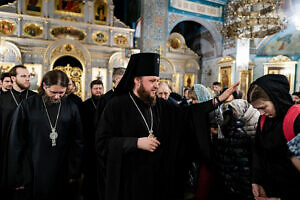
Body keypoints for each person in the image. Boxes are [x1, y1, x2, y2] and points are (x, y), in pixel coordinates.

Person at [95, 53, 239, 200]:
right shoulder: (116, 105)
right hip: (129, 182)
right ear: (137, 80)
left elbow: (187, 113)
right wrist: (136, 143)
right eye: (152, 81)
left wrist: (217, 100)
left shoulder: (159, 104)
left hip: (158, 180)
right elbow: (102, 143)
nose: (156, 86)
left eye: (157, 81)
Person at [7, 70, 84, 200]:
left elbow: (78, 141)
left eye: (61, 92)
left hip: (63, 167)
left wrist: (74, 170)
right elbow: (16, 142)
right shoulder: (27, 106)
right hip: (33, 167)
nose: (57, 97)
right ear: (44, 86)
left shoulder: (71, 107)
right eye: (53, 92)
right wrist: (18, 174)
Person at [247, 74, 300, 200]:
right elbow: (258, 151)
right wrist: (256, 180)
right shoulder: (263, 120)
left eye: (263, 107)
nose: (261, 113)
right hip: (268, 190)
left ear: (277, 98)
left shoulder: (296, 119)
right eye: (257, 109)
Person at [0, 65, 36, 199]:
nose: (28, 79)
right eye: (23, 76)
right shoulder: (2, 98)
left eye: (28, 76)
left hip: (30, 149)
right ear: (13, 78)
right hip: (6, 148)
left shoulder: (35, 99)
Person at [213, 99, 259, 200]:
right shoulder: (239, 130)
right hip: (238, 179)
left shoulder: (225, 125)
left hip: (227, 178)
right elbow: (243, 163)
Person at [81, 79, 104, 200]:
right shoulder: (85, 105)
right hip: (89, 143)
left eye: (100, 88)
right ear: (91, 90)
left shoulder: (107, 103)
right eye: (96, 89)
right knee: (90, 173)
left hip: (103, 143)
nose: (98, 91)